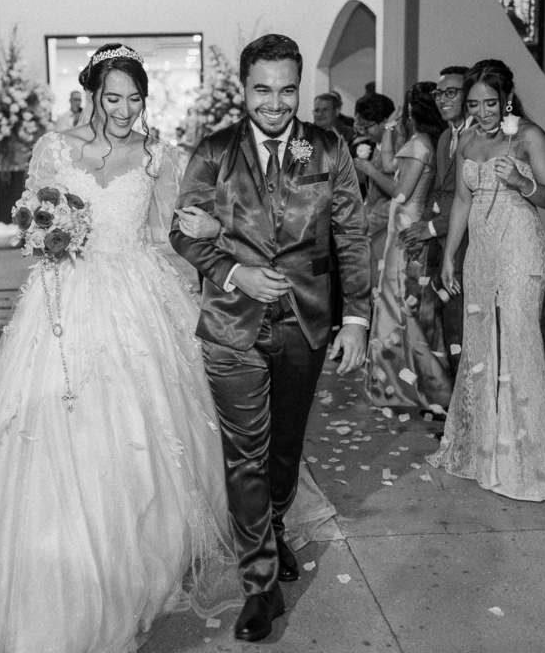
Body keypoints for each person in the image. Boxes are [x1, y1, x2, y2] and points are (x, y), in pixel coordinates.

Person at [0, 43, 240, 653]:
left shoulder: (158, 154)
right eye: (114, 98)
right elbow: (32, 216)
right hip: (65, 294)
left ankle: (139, 549)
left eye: (135, 99)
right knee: (51, 425)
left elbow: (168, 232)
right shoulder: (54, 148)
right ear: (92, 95)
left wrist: (208, 239)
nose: (125, 110)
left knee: (141, 421)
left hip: (136, 293)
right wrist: (47, 234)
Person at [172, 34, 372, 642]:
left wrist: (356, 318)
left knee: (284, 448)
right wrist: (235, 272)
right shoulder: (214, 151)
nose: (276, 102)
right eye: (263, 89)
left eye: (288, 90)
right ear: (244, 88)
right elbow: (182, 232)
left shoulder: (329, 148)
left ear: (300, 88)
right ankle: (259, 585)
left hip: (305, 322)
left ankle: (275, 526)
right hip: (231, 326)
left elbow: (351, 235)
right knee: (245, 456)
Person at [428, 59, 545, 502]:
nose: (483, 112)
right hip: (482, 253)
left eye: (491, 103)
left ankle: (528, 466)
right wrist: (450, 255)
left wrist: (523, 184)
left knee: (518, 345)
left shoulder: (529, 136)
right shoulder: (467, 139)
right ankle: (487, 453)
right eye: (474, 104)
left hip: (520, 248)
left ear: (506, 98)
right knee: (481, 347)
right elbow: (461, 201)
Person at [360, 81, 451, 410]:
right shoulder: (422, 141)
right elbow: (389, 165)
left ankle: (404, 387)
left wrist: (367, 170)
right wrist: (388, 129)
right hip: (402, 227)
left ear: (413, 111)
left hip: (406, 230)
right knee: (398, 302)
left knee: (399, 305)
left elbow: (399, 191)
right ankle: (401, 383)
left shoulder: (420, 143)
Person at [400, 66, 471, 374]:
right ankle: (455, 391)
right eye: (438, 93)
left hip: (470, 243)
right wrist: (423, 228)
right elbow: (440, 192)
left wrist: (428, 228)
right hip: (443, 242)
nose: (442, 99)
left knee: (467, 326)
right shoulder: (445, 137)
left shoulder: (479, 138)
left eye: (451, 92)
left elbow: (471, 200)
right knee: (450, 326)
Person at [352, 92, 401, 290]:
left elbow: (398, 195)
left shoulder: (397, 146)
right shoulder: (376, 145)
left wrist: (367, 223)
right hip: (373, 227)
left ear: (384, 122)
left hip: (386, 229)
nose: (364, 131)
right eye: (360, 126)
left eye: (368, 126)